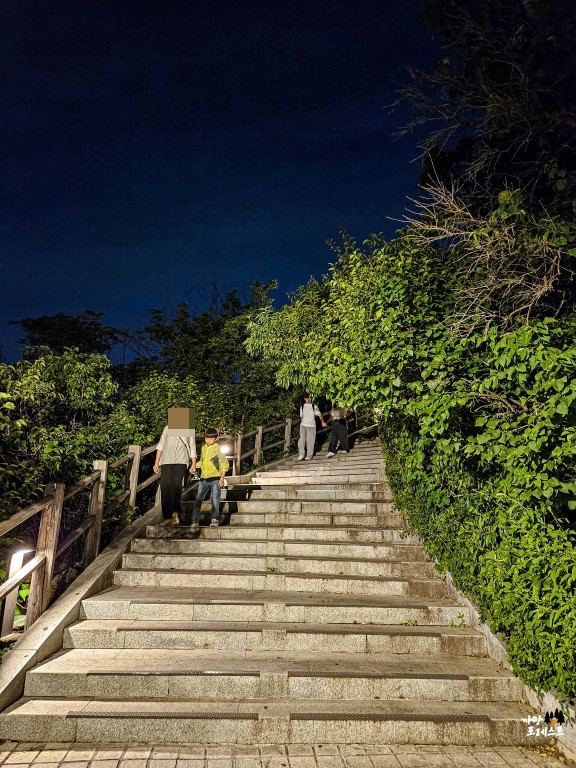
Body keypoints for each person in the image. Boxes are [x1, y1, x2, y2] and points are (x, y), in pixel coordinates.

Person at [153, 423, 196, 527]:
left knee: (176, 486)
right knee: (165, 487)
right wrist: (156, 462)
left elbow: (192, 446)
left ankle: (175, 515)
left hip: (181, 461)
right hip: (166, 460)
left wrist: (193, 463)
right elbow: (161, 445)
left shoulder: (189, 429)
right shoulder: (167, 428)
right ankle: (167, 517)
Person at [190, 428, 230, 531]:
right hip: (204, 479)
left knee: (215, 499)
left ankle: (214, 519)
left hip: (215, 478)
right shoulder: (203, 448)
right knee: (198, 499)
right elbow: (202, 461)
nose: (209, 440)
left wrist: (222, 478)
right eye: (207, 438)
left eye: (211, 438)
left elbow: (225, 463)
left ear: (215, 439)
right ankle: (195, 521)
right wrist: (194, 466)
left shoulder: (217, 449)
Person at [298, 395, 326, 460]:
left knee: (310, 441)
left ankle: (309, 455)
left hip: (311, 425)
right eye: (306, 398)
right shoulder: (302, 406)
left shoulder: (314, 406)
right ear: (304, 398)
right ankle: (301, 454)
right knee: (301, 440)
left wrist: (322, 422)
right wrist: (302, 422)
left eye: (309, 398)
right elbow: (301, 417)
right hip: (303, 425)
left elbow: (319, 415)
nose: (308, 399)